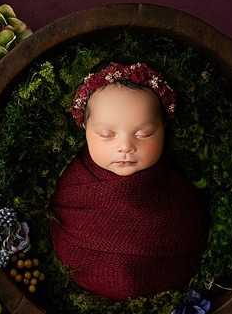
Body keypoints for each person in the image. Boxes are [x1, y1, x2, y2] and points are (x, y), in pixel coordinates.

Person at [50, 62, 208, 301]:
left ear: (164, 127)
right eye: (106, 135)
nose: (125, 146)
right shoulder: (74, 185)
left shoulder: (175, 187)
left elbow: (191, 227)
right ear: (84, 129)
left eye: (143, 134)